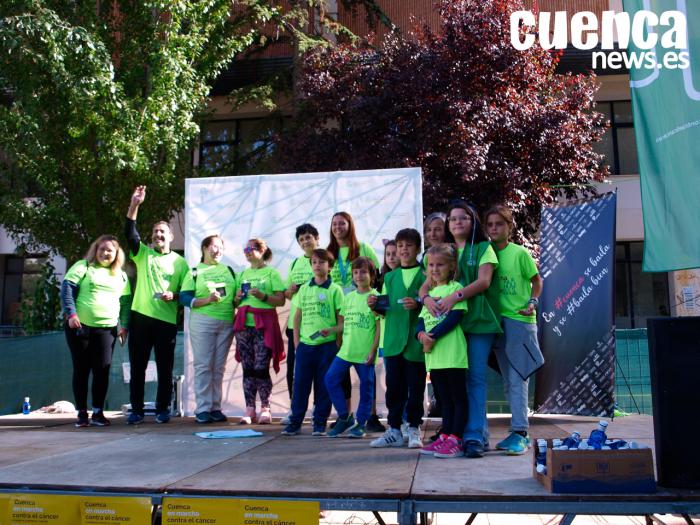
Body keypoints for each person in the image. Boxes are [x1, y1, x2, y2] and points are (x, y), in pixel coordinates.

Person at [419, 200, 501, 458]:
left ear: (472, 220)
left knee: (475, 379)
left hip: (477, 322)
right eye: (452, 219)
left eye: (463, 217)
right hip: (452, 327)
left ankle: (475, 436)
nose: (457, 222)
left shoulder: (483, 247)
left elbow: (484, 281)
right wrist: (427, 299)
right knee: (455, 385)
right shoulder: (446, 251)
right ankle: (453, 434)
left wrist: (455, 296)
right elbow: (425, 285)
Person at [125, 186, 191, 424]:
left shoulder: (181, 263)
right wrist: (135, 205)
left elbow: (186, 294)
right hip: (140, 318)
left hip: (166, 322)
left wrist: (173, 296)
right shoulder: (143, 254)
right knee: (138, 369)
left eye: (162, 232)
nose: (158, 235)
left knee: (165, 369)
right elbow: (130, 233)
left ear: (171, 237)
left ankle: (163, 409)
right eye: (154, 232)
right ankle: (137, 410)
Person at [485, 205, 544, 456]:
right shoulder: (484, 254)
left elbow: (537, 281)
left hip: (519, 323)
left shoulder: (519, 253)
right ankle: (517, 431)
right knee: (510, 382)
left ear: (510, 227)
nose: (494, 228)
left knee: (518, 379)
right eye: (490, 224)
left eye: (499, 224)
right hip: (495, 324)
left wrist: (532, 303)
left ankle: (520, 432)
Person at [61, 235, 131, 428]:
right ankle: (82, 413)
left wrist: (124, 326)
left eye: (110, 250)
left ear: (117, 254)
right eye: (102, 249)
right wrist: (71, 314)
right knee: (81, 370)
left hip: (107, 330)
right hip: (80, 327)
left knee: (102, 371)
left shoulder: (121, 275)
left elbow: (125, 303)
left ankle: (98, 413)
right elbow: (67, 289)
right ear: (95, 250)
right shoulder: (83, 266)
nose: (105, 253)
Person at [368, 228, 426, 449]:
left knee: (416, 387)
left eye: (408, 245)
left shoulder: (425, 275)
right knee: (394, 388)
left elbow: (432, 304)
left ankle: (413, 427)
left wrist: (419, 303)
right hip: (393, 341)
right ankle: (393, 430)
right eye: (400, 246)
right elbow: (388, 308)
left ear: (418, 249)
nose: (403, 250)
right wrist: (376, 305)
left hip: (414, 341)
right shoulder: (389, 277)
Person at [282, 248, 344, 436]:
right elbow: (296, 318)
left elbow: (341, 320)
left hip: (327, 346)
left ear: (330, 267)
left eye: (322, 262)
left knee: (323, 385)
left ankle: (319, 422)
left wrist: (336, 339)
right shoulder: (304, 289)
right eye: (314, 262)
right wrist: (297, 343)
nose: (317, 265)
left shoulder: (335, 290)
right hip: (305, 346)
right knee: (300, 384)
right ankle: (295, 422)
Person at [415, 244, 468, 458]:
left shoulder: (455, 289)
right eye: (431, 265)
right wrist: (421, 335)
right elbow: (420, 321)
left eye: (440, 264)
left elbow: (454, 319)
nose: (435, 269)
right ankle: (445, 436)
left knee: (458, 399)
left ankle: (456, 439)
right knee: (444, 401)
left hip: (453, 355)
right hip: (434, 358)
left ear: (451, 266)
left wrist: (432, 337)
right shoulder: (430, 293)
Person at [179, 235, 237, 424]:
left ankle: (215, 407)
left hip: (227, 321)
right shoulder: (195, 271)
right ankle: (203, 408)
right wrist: (207, 300)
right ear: (204, 248)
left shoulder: (229, 270)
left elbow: (235, 296)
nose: (217, 250)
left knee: (218, 367)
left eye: (221, 247)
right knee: (203, 365)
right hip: (203, 321)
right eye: (213, 246)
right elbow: (184, 297)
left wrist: (240, 298)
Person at [324, 257, 381, 438]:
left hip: (365, 353)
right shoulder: (348, 297)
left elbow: (380, 327)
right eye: (355, 272)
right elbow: (346, 324)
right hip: (346, 352)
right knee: (330, 379)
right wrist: (332, 330)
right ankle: (344, 416)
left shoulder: (376, 298)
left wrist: (373, 351)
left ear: (371, 275)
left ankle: (361, 424)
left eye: (363, 272)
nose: (359, 275)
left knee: (367, 387)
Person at [233, 238, 286, 425]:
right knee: (247, 368)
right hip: (243, 325)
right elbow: (235, 302)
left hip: (264, 323)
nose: (247, 251)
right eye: (245, 248)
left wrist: (262, 295)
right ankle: (249, 409)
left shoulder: (272, 272)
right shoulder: (242, 274)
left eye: (251, 248)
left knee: (261, 367)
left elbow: (280, 300)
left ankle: (265, 407)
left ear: (262, 250)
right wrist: (237, 298)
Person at [282, 224, 320, 423]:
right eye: (302, 239)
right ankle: (294, 408)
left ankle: (317, 409)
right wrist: (291, 290)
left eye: (308, 237)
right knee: (294, 369)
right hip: (294, 325)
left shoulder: (323, 259)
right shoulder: (295, 263)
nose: (306, 242)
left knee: (317, 369)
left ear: (317, 238)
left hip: (317, 324)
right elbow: (287, 294)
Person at [327, 211, 380, 294]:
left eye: (342, 223)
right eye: (334, 224)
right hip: (335, 301)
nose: (337, 226)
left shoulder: (364, 248)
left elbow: (376, 276)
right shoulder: (327, 252)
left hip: (361, 300)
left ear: (350, 225)